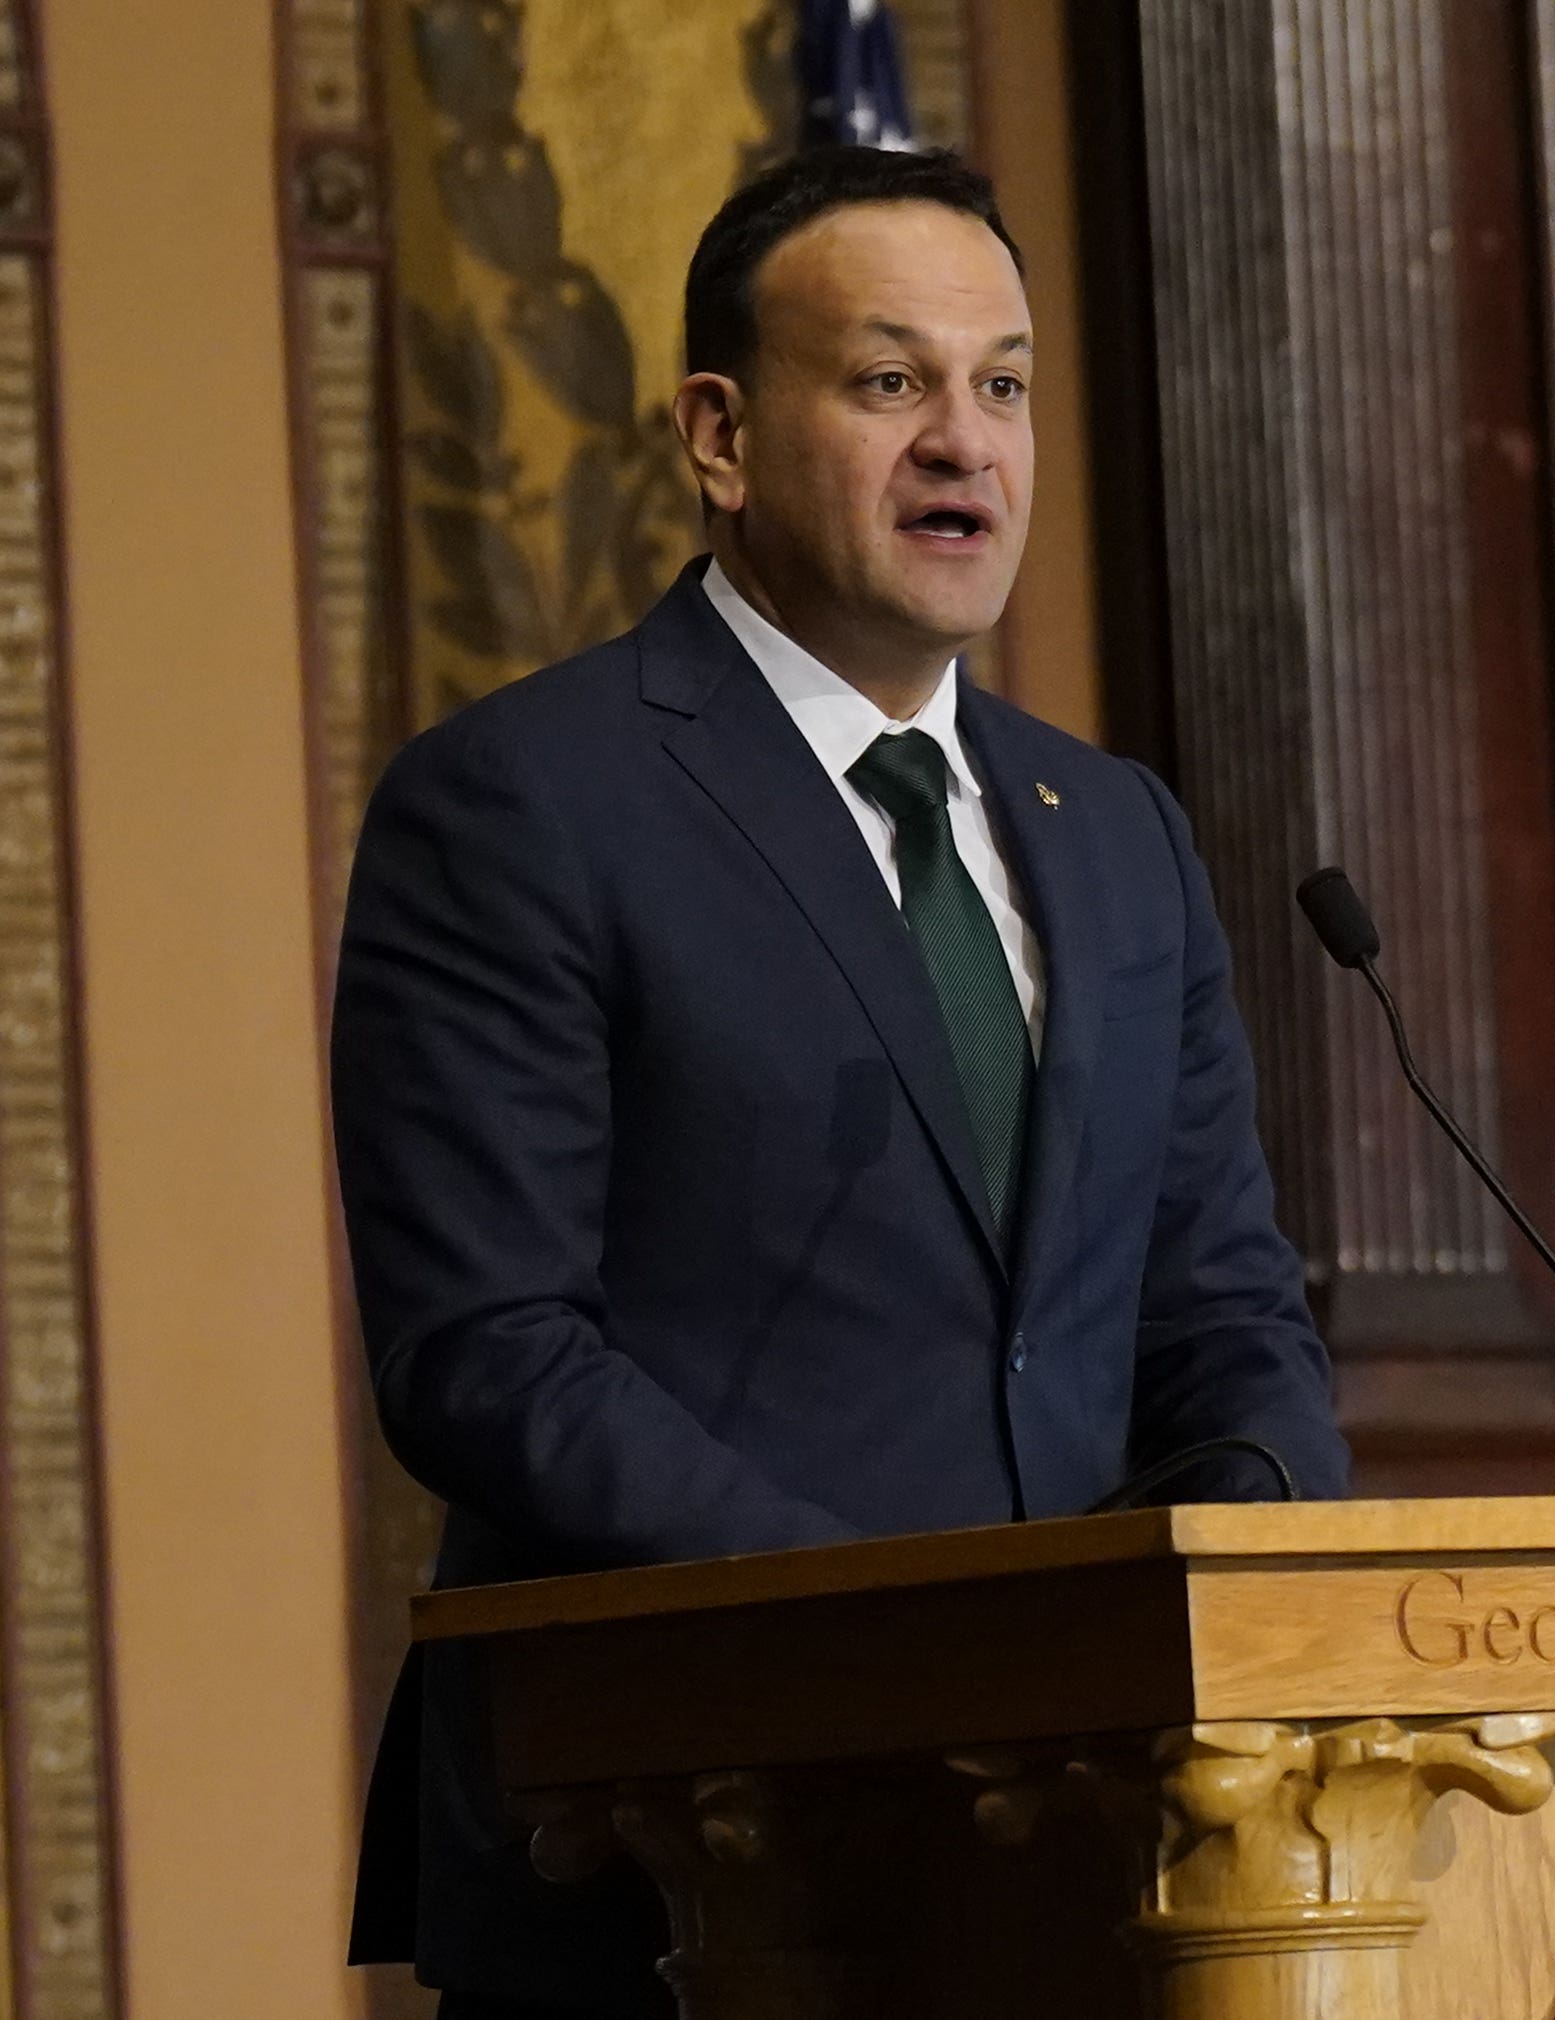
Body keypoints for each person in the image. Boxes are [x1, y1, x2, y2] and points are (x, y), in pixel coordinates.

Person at [334, 146, 1351, 2015]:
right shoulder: (523, 806)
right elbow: (488, 1352)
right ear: (719, 437)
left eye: (1005, 385)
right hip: (675, 1851)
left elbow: (1217, 1314)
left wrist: (1257, 1610)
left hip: (1102, 1855)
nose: (964, 443)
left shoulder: (1113, 832)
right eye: (890, 384)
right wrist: (911, 1653)